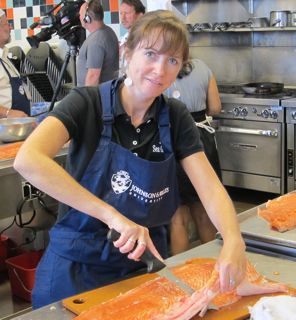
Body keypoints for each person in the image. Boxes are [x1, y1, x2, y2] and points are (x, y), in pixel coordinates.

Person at [14, 10, 246, 309]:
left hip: (144, 268)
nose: (160, 70)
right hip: (77, 269)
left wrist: (233, 240)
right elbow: (28, 159)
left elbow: (210, 189)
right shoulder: (86, 103)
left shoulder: (175, 116)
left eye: (172, 61)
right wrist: (112, 216)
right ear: (127, 52)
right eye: (150, 54)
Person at [165, 58, 222, 255]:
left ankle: (181, 278)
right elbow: (215, 107)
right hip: (201, 138)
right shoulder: (203, 66)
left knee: (177, 216)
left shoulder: (159, 70)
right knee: (205, 210)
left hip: (170, 138)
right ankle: (214, 270)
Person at [76, 0, 119, 86]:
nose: (79, 17)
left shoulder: (96, 41)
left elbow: (93, 76)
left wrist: (87, 99)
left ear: (87, 19)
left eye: (80, 15)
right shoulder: (108, 31)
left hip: (93, 96)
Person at [0, 9, 30, 118]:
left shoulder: (5, 55)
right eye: (7, 24)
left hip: (17, 127)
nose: (10, 27)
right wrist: (8, 113)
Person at [119, 0, 145, 75]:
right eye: (121, 13)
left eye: (127, 13)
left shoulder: (147, 39)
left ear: (140, 15)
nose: (123, 18)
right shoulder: (125, 38)